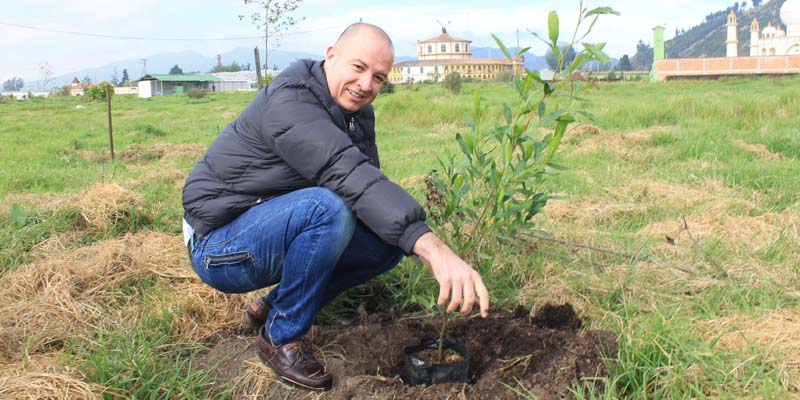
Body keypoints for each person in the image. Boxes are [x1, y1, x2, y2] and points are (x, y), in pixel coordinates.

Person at [182, 23, 489, 391]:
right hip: (218, 246)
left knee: (384, 242)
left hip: (267, 226)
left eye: (378, 77)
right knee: (326, 208)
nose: (365, 84)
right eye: (358, 68)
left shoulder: (355, 113)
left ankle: (273, 306)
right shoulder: (291, 101)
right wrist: (431, 246)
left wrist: (409, 242)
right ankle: (280, 337)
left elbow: (365, 187)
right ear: (331, 56)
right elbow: (346, 172)